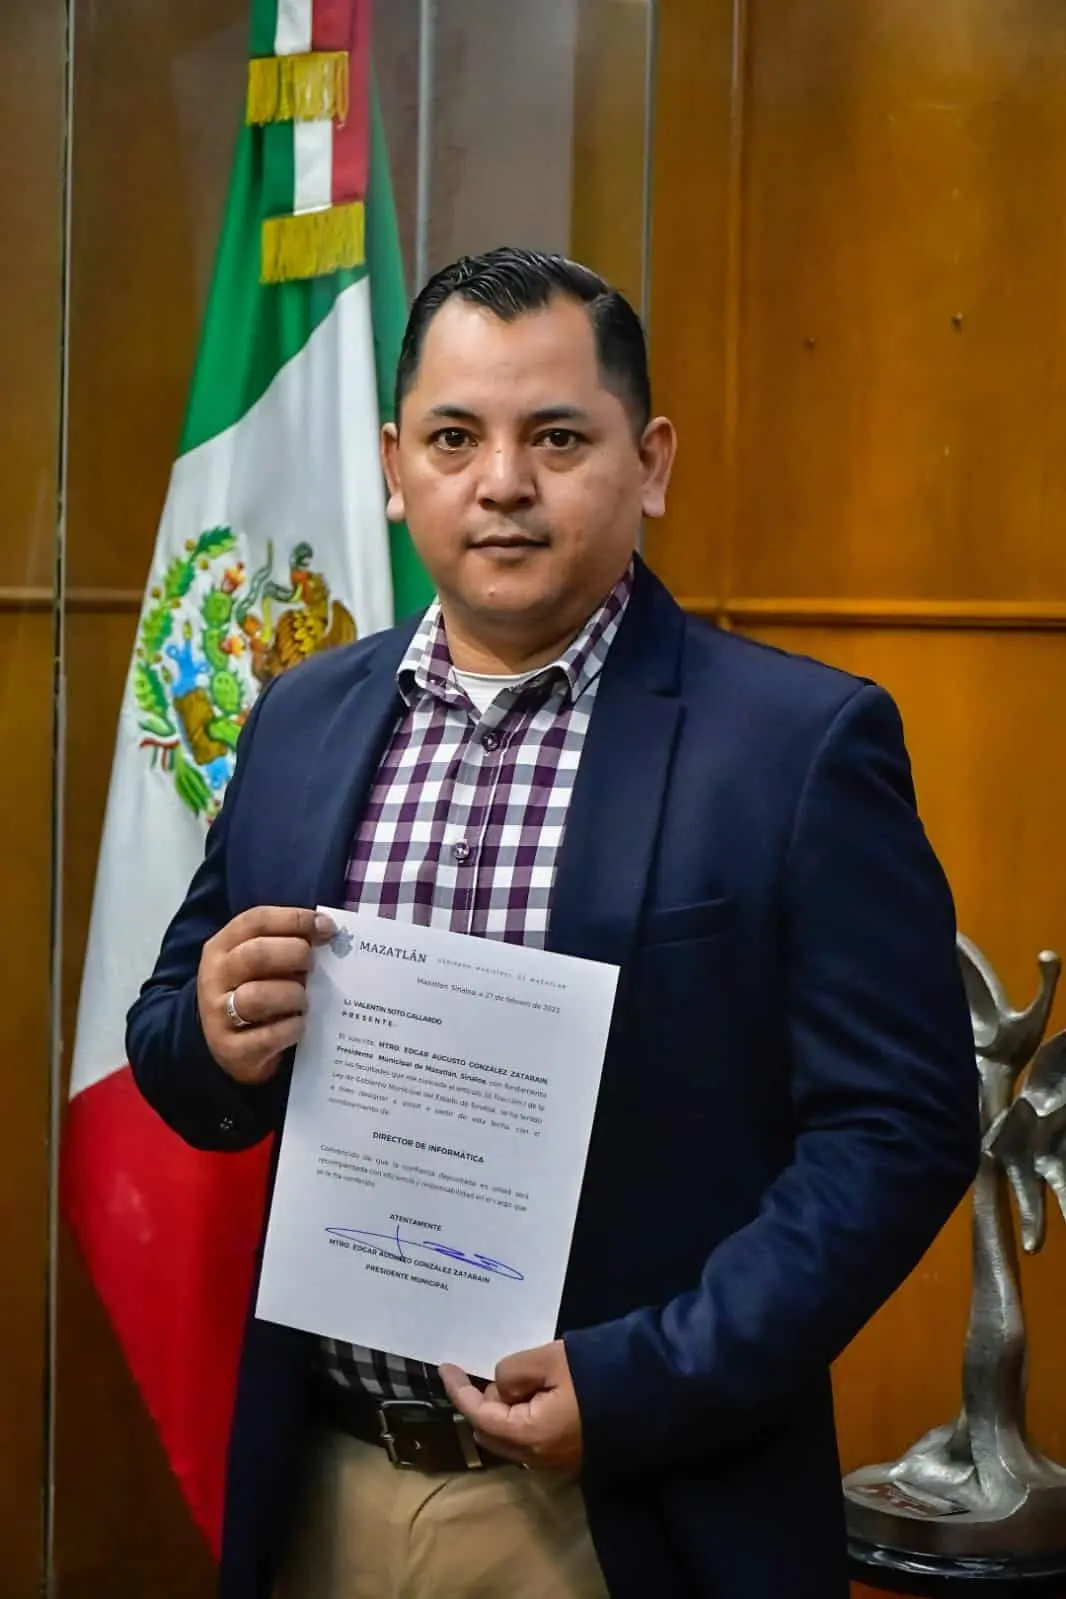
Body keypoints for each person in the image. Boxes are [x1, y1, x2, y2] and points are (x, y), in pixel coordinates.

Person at [127, 246, 980, 1599]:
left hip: (625, 1517)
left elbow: (899, 1129)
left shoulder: (796, 746)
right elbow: (174, 1043)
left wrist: (649, 1377)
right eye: (455, 437)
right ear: (395, 465)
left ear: (649, 462)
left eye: (558, 437)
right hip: (323, 1487)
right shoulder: (298, 718)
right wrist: (216, 1032)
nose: (503, 482)